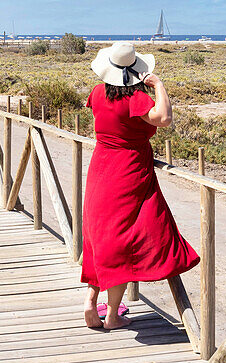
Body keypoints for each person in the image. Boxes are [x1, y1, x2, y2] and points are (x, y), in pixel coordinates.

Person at [82, 41, 199, 330]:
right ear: (136, 71)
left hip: (100, 168)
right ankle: (111, 316)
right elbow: (165, 118)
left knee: (99, 236)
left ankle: (90, 301)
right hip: (129, 170)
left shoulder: (98, 93)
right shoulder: (135, 98)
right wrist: (158, 84)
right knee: (120, 239)